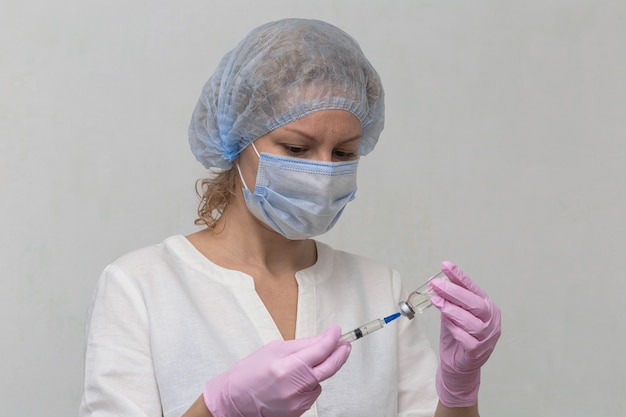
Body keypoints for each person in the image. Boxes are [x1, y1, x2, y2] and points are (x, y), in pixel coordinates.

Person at [79, 18, 501, 417]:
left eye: (344, 153)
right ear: (238, 138)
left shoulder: (378, 288)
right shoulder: (141, 287)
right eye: (297, 149)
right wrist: (219, 406)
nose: (323, 172)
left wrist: (459, 389)